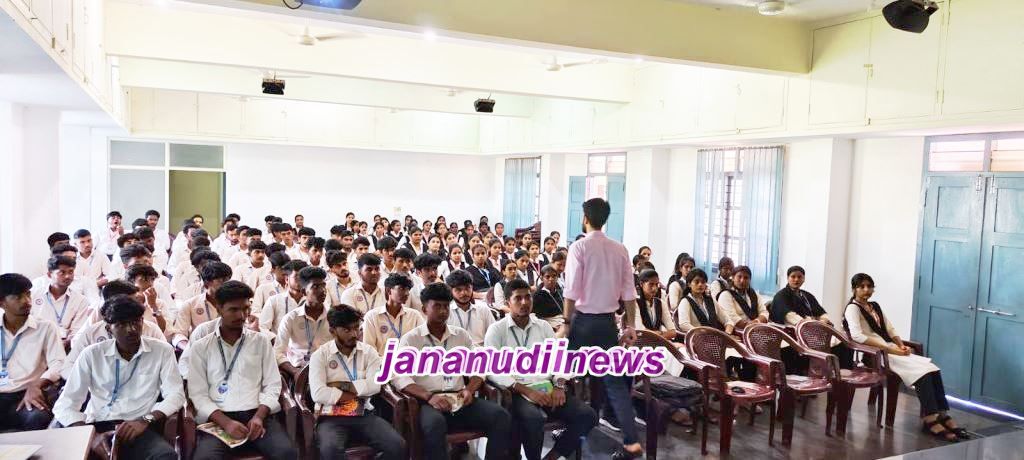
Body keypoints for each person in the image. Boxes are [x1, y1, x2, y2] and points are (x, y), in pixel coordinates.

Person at [54, 295, 184, 460]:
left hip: (138, 425)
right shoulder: (92, 354)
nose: (131, 329)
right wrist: (90, 437)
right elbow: (65, 404)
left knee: (165, 455)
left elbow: (176, 395)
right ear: (109, 329)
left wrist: (145, 420)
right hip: (97, 425)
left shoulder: (161, 351)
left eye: (136, 322)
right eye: (122, 324)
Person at [562, 198, 643, 460]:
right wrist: (631, 325)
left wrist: (565, 322)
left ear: (585, 218)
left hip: (583, 323)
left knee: (565, 375)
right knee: (615, 384)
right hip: (607, 324)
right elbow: (629, 291)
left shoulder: (579, 247)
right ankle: (632, 442)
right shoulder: (620, 249)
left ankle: (569, 428)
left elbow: (571, 291)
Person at [392, 282, 511, 460]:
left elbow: (479, 367)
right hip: (428, 402)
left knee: (500, 416)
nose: (443, 311)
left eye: (446, 306)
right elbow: (399, 377)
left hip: (459, 398)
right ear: (424, 309)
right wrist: (429, 397)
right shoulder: (411, 339)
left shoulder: (460, 336)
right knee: (435, 424)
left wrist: (469, 389)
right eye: (437, 306)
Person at [843, 273, 965, 442]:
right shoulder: (853, 308)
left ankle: (942, 414)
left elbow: (890, 328)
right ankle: (930, 419)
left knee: (932, 369)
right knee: (921, 373)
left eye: (869, 286)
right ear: (854, 289)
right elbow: (857, 336)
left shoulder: (874, 306)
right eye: (861, 286)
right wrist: (890, 349)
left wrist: (900, 345)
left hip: (890, 349)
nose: (866, 290)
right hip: (874, 354)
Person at [484, 278, 597, 460]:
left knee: (587, 415)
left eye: (528, 297)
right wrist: (527, 391)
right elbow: (492, 369)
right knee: (533, 419)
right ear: (508, 303)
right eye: (518, 298)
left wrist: (559, 385)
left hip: (548, 387)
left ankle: (553, 455)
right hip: (518, 391)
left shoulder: (543, 326)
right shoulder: (497, 330)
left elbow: (559, 359)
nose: (524, 302)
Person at [188, 281, 298, 460]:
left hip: (257, 414)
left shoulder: (261, 341)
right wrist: (226, 423)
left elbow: (272, 385)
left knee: (287, 454)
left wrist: (259, 417)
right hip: (218, 418)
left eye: (246, 308)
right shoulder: (201, 347)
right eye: (233, 309)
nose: (242, 315)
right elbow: (198, 394)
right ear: (219, 308)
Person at [309, 305, 407, 460]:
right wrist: (359, 390)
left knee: (398, 446)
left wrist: (341, 386)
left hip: (363, 414)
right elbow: (318, 394)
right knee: (330, 450)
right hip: (331, 418)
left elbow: (375, 386)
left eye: (356, 328)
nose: (354, 334)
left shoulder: (369, 352)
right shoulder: (320, 356)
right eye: (347, 330)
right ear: (332, 331)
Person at [63, 280, 166, 380]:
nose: (136, 305)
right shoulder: (92, 332)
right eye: (129, 302)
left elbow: (166, 364)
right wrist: (92, 380)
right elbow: (68, 368)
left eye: (136, 300)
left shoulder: (151, 329)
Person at [0, 273, 65, 431]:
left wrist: (37, 384)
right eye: (17, 297)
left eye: (28, 294)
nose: (27, 301)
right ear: (2, 302)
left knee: (37, 417)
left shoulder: (45, 327)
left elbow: (58, 363)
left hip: (27, 392)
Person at [770, 266, 852, 370]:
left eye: (799, 277)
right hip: (793, 331)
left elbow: (821, 312)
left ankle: (839, 372)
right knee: (826, 343)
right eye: (793, 276)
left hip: (812, 328)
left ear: (803, 279)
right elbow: (791, 317)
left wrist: (822, 321)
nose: (796, 279)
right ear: (788, 278)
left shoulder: (806, 295)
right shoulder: (781, 296)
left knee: (843, 342)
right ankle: (822, 371)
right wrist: (813, 324)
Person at [275, 267, 333, 380]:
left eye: (323, 285)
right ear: (303, 291)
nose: (322, 290)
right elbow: (278, 352)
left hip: (328, 370)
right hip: (299, 369)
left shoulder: (333, 317)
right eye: (315, 287)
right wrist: (295, 372)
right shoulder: (291, 318)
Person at [168, 261, 232, 350]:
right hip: (200, 349)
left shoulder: (236, 304)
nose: (226, 284)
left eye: (228, 280)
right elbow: (178, 334)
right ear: (206, 283)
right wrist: (189, 349)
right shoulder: (190, 304)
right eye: (221, 280)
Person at [31, 255, 91, 347]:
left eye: (71, 272)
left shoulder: (81, 300)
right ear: (49, 274)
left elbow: (78, 331)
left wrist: (66, 343)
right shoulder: (34, 295)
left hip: (65, 345)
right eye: (62, 272)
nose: (67, 276)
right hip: (36, 343)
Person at [362, 274, 424, 355]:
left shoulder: (415, 316)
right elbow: (369, 348)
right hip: (381, 361)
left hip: (408, 361)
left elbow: (424, 342)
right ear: (388, 290)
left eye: (408, 289)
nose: (406, 293)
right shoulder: (372, 316)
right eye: (401, 289)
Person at [444, 270, 495, 346]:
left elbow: (493, 334)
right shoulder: (446, 313)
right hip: (456, 351)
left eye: (467, 288)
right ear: (451, 291)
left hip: (481, 350)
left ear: (472, 288)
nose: (464, 293)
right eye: (458, 290)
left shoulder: (483, 309)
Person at [259, 260, 308, 336]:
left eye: (304, 277)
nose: (301, 280)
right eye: (297, 276)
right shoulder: (274, 301)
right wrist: (276, 340)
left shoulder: (313, 301)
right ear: (287, 279)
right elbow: (262, 327)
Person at [673, 269, 728, 334]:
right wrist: (703, 333)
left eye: (703, 282)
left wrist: (727, 333)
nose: (700, 285)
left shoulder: (710, 300)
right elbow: (684, 325)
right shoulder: (685, 301)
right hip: (698, 337)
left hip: (715, 337)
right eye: (697, 282)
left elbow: (727, 320)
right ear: (689, 284)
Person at [73, 229, 115, 303]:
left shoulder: (101, 255)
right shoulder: (72, 258)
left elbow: (111, 275)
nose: (87, 244)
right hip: (77, 293)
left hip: (96, 293)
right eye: (82, 242)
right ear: (75, 244)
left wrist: (98, 283)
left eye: (89, 241)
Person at [634, 270, 676, 341]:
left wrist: (657, 335)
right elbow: (641, 331)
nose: (654, 288)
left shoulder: (661, 303)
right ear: (641, 284)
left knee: (681, 346)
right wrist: (660, 333)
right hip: (641, 343)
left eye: (656, 285)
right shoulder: (634, 303)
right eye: (651, 284)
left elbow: (673, 331)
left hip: (658, 342)